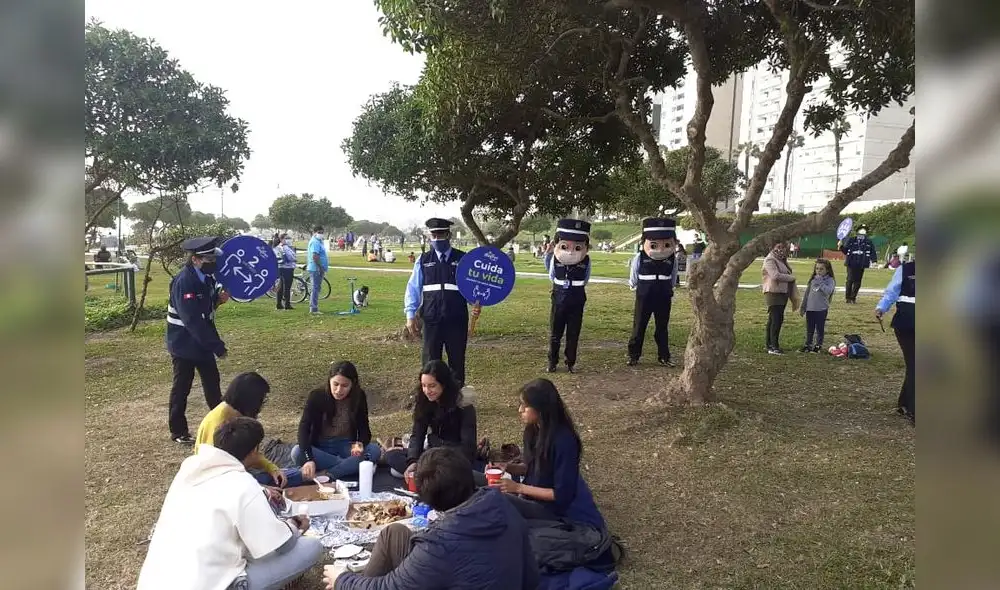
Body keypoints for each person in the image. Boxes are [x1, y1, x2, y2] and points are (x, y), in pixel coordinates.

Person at [138, 418, 324, 590]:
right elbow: (282, 545)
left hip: (156, 580)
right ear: (254, 451)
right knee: (311, 546)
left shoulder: (188, 469)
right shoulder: (242, 483)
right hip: (211, 583)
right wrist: (295, 524)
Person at [324, 447, 539, 590]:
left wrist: (342, 579)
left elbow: (391, 587)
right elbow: (531, 576)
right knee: (394, 533)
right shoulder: (503, 505)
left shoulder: (440, 545)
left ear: (430, 502)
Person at [492, 379, 613, 570]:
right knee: (477, 481)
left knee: (495, 500)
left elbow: (562, 495)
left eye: (525, 406)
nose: (520, 410)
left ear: (541, 409)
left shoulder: (565, 442)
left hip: (551, 510)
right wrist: (509, 468)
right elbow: (533, 467)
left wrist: (518, 488)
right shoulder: (533, 430)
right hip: (529, 494)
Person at [166, 236, 230, 444]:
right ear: (195, 259)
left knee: (213, 385)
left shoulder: (206, 278)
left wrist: (217, 301)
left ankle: (222, 427)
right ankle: (178, 431)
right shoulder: (184, 282)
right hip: (184, 344)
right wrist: (217, 346)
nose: (213, 261)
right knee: (182, 387)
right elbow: (193, 320)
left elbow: (205, 307)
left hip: (201, 344)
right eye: (208, 258)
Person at [195, 371, 301, 488]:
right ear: (251, 400)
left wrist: (272, 468)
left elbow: (251, 454)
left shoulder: (234, 414)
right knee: (287, 476)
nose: (262, 405)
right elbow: (221, 474)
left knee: (282, 475)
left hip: (237, 472)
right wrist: (261, 489)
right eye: (262, 399)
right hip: (220, 480)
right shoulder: (221, 421)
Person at [404, 218, 475, 386]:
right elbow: (413, 287)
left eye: (441, 235)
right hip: (431, 319)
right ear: (429, 236)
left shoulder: (463, 259)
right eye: (434, 235)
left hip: (456, 319)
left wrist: (476, 303)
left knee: (457, 361)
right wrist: (410, 314)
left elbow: (473, 288)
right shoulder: (423, 260)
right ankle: (430, 399)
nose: (437, 239)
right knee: (430, 362)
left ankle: (456, 398)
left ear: (448, 235)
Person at [384, 360, 479, 479]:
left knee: (453, 471)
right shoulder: (424, 401)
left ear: (444, 384)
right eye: (424, 386)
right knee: (392, 456)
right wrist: (413, 461)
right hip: (431, 453)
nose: (427, 391)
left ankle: (427, 475)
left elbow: (468, 447)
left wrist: (437, 456)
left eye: (432, 386)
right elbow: (417, 435)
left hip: (454, 457)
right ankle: (427, 474)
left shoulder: (464, 405)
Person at [292, 361, 383, 481]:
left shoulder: (359, 397)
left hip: (347, 446)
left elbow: (364, 429)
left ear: (353, 384)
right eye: (335, 384)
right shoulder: (316, 396)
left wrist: (358, 447)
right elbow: (304, 429)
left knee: (374, 450)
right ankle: (349, 466)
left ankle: (328, 474)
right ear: (329, 380)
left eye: (345, 386)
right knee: (297, 452)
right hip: (321, 447)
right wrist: (309, 460)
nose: (339, 390)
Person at [627, 217, 678, 367]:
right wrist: (635, 286)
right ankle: (633, 355)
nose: (661, 249)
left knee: (662, 327)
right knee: (639, 325)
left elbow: (673, 276)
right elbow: (634, 274)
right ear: (644, 243)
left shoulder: (672, 259)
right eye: (654, 245)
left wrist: (670, 288)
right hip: (645, 295)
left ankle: (664, 356)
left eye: (667, 244)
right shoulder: (640, 257)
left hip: (663, 295)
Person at [543, 219, 592, 373]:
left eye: (577, 247)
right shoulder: (554, 259)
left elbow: (586, 278)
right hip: (559, 297)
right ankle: (552, 362)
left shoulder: (587, 261)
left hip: (577, 298)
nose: (571, 251)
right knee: (555, 332)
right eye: (565, 246)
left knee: (573, 332)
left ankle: (570, 362)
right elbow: (552, 275)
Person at [876, 259, 915, 424]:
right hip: (906, 324)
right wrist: (881, 307)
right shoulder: (905, 269)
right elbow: (892, 291)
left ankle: (905, 403)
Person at [761, 242, 798, 355]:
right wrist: (791, 278)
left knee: (774, 319)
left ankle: (770, 344)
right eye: (778, 247)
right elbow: (775, 275)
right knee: (776, 319)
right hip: (773, 292)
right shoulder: (770, 260)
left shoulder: (781, 259)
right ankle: (773, 346)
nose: (781, 249)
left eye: (782, 247)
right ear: (772, 247)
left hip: (782, 292)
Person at [798, 259, 836, 353]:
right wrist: (803, 307)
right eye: (817, 269)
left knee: (819, 328)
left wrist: (821, 282)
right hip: (810, 308)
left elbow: (828, 291)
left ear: (827, 270)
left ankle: (818, 345)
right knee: (810, 327)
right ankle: (808, 344)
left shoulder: (830, 280)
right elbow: (807, 294)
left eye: (821, 269)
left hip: (821, 309)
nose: (818, 271)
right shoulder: (813, 280)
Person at [839, 223, 878, 304]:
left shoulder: (868, 242)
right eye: (861, 230)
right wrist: (841, 247)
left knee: (857, 281)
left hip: (861, 264)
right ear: (857, 231)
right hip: (851, 263)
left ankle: (853, 298)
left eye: (864, 230)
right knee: (850, 280)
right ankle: (848, 298)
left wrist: (874, 261)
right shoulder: (851, 240)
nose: (863, 231)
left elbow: (872, 252)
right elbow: (845, 251)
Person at [307, 225, 329, 314]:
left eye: (322, 232)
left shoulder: (320, 241)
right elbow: (315, 256)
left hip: (319, 268)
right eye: (319, 232)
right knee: (315, 288)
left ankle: (314, 307)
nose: (321, 234)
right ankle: (313, 308)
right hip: (316, 269)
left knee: (317, 288)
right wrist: (320, 268)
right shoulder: (315, 242)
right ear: (315, 232)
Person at [274, 232, 298, 310]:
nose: (288, 240)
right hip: (287, 269)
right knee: (287, 287)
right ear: (281, 239)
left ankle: (279, 304)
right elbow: (291, 257)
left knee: (280, 286)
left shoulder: (277, 247)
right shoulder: (285, 247)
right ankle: (287, 304)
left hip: (280, 268)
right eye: (286, 238)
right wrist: (295, 259)